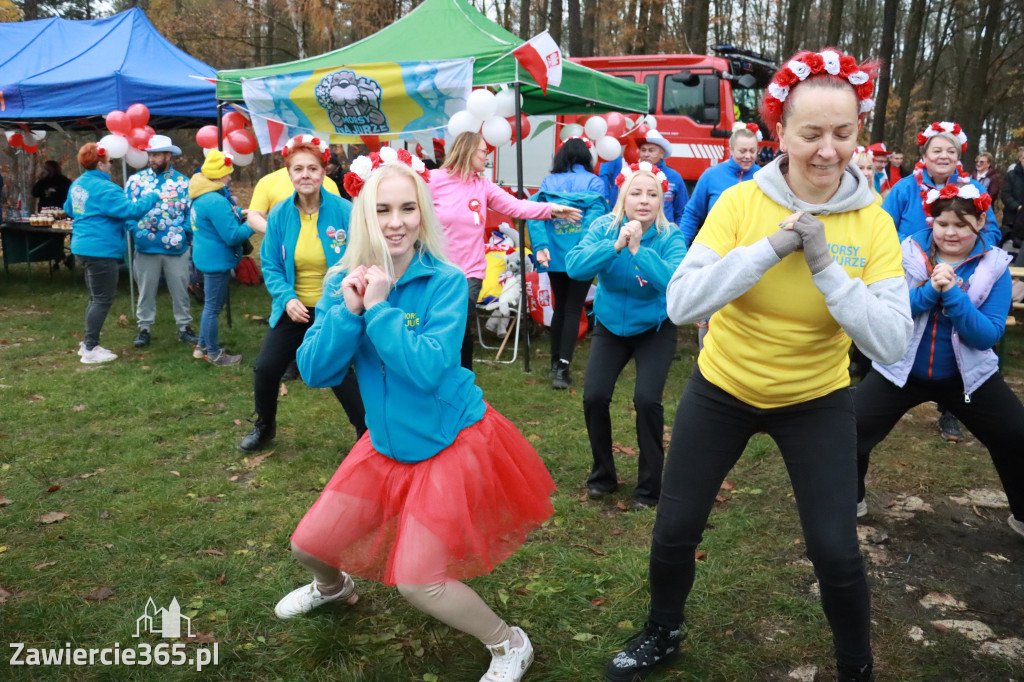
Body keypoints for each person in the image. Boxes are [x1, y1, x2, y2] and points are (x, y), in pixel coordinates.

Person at [603, 49, 912, 682]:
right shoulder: (741, 202)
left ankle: (856, 666)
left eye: (844, 133)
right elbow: (683, 300)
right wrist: (769, 248)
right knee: (675, 526)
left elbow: (890, 344)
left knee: (836, 550)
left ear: (859, 134)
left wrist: (827, 267)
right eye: (812, 133)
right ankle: (663, 630)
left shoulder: (874, 223)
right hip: (724, 388)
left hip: (816, 398)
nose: (828, 150)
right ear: (781, 133)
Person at [278, 151, 556, 682]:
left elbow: (428, 369)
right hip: (384, 445)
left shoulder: (446, 280)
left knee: (420, 581)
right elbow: (314, 369)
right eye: (382, 210)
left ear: (423, 214)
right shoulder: (345, 278)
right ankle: (335, 588)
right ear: (365, 216)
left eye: (408, 208)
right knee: (307, 546)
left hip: (447, 441)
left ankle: (509, 643)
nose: (396, 222)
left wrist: (380, 310)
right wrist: (350, 310)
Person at [855, 187, 1024, 541]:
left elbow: (986, 336)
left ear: (980, 222)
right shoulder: (906, 254)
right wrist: (931, 290)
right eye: (942, 223)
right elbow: (890, 309)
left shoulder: (995, 268)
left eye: (961, 224)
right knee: (848, 429)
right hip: (900, 370)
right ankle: (847, 502)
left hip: (967, 378)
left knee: (1015, 435)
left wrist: (955, 296)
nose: (949, 232)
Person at [565, 161, 687, 510]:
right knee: (594, 397)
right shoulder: (604, 226)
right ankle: (603, 476)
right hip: (610, 328)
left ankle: (650, 489)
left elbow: (673, 281)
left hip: (655, 328)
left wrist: (638, 250)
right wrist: (616, 245)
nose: (644, 200)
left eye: (652, 194)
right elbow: (575, 267)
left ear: (661, 200)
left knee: (647, 400)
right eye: (636, 193)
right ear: (623, 197)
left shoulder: (669, 235)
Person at [239, 135, 366, 453]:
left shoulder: (343, 211)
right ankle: (265, 426)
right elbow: (269, 265)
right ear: (290, 174)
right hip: (294, 308)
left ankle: (365, 433)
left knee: (338, 369)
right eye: (298, 169)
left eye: (312, 168)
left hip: (334, 308)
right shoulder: (280, 214)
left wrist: (336, 302)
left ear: (324, 172)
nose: (305, 175)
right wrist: (287, 299)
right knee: (266, 369)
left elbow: (358, 260)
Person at [882, 121, 1000, 442]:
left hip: (959, 271)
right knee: (903, 322)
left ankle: (952, 409)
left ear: (959, 155)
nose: (944, 155)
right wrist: (902, 252)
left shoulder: (974, 191)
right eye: (937, 150)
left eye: (951, 150)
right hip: (911, 269)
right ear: (925, 154)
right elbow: (882, 226)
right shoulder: (905, 188)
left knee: (957, 333)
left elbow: (989, 230)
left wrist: (979, 253)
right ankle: (883, 390)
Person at [427, 131, 581, 369]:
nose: (487, 156)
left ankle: (462, 382)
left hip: (469, 273)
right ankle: (433, 378)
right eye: (483, 151)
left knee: (458, 329)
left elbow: (517, 207)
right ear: (467, 150)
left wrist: (551, 209)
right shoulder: (434, 179)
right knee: (435, 328)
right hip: (436, 270)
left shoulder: (483, 186)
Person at [65, 142, 160, 364]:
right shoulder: (106, 189)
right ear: (100, 164)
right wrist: (153, 197)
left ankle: (88, 343)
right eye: (108, 161)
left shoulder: (78, 184)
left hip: (82, 246)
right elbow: (132, 210)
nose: (110, 165)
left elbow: (70, 208)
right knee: (102, 299)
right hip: (101, 249)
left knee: (95, 297)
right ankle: (90, 348)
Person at [526, 137, 608, 389]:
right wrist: (583, 249)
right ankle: (562, 368)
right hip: (580, 256)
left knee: (560, 307)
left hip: (554, 255)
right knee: (574, 308)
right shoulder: (595, 182)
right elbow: (595, 220)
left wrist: (541, 246)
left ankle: (554, 363)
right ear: (587, 158)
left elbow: (535, 214)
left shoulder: (549, 182)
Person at [126, 135, 197, 349]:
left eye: (156, 155)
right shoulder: (136, 182)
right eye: (150, 155)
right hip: (146, 247)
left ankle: (184, 327)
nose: (152, 159)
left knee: (181, 289)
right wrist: (135, 231)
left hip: (177, 248)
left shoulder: (184, 183)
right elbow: (127, 210)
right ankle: (144, 327)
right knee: (145, 289)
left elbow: (191, 213)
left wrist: (183, 233)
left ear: (169, 155)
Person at [188, 150, 256, 365]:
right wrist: (252, 224)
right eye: (227, 174)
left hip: (206, 257)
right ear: (218, 175)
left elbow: (220, 218)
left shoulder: (202, 195)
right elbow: (232, 236)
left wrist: (240, 212)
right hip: (216, 261)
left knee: (210, 305)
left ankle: (201, 347)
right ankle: (215, 353)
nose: (229, 177)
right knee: (213, 308)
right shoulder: (214, 200)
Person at [679, 123, 760, 247]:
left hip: (751, 251)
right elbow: (693, 213)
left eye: (752, 151)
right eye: (742, 151)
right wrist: (679, 248)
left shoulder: (763, 177)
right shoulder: (711, 175)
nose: (748, 156)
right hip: (715, 249)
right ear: (731, 150)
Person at [599, 131, 689, 226]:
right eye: (643, 150)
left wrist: (678, 235)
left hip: (663, 234)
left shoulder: (674, 177)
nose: (646, 154)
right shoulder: (630, 174)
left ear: (662, 153)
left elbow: (682, 212)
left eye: (651, 150)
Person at [246, 158, 343, 233]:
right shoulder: (267, 181)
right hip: (280, 252)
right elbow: (254, 215)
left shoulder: (329, 183)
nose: (305, 175)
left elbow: (339, 217)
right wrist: (275, 233)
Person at [1003, 148, 1024, 257]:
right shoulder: (1012, 175)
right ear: (1021, 159)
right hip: (1012, 216)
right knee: (1011, 247)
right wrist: (1018, 207)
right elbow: (1005, 194)